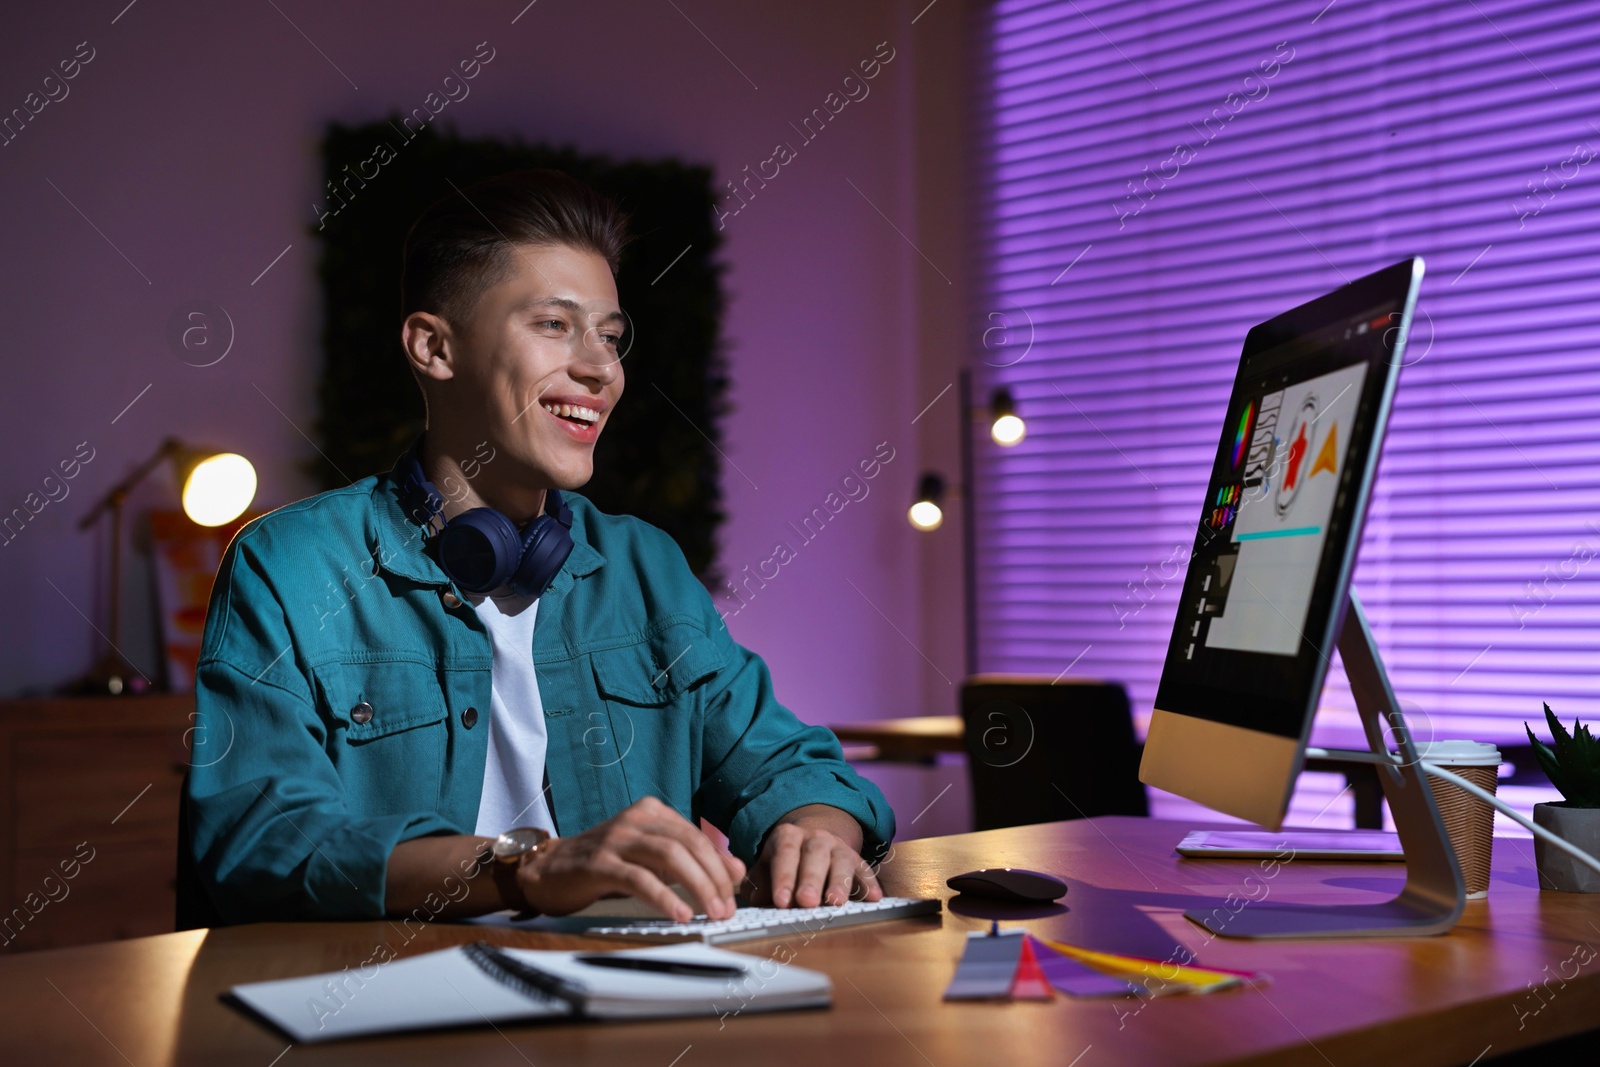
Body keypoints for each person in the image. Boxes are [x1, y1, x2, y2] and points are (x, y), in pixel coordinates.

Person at [184, 169, 895, 926]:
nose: (600, 368)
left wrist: (814, 835)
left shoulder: (646, 569)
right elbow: (260, 838)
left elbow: (791, 767)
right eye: (555, 325)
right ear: (433, 347)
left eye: (611, 336)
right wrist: (530, 867)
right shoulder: (289, 565)